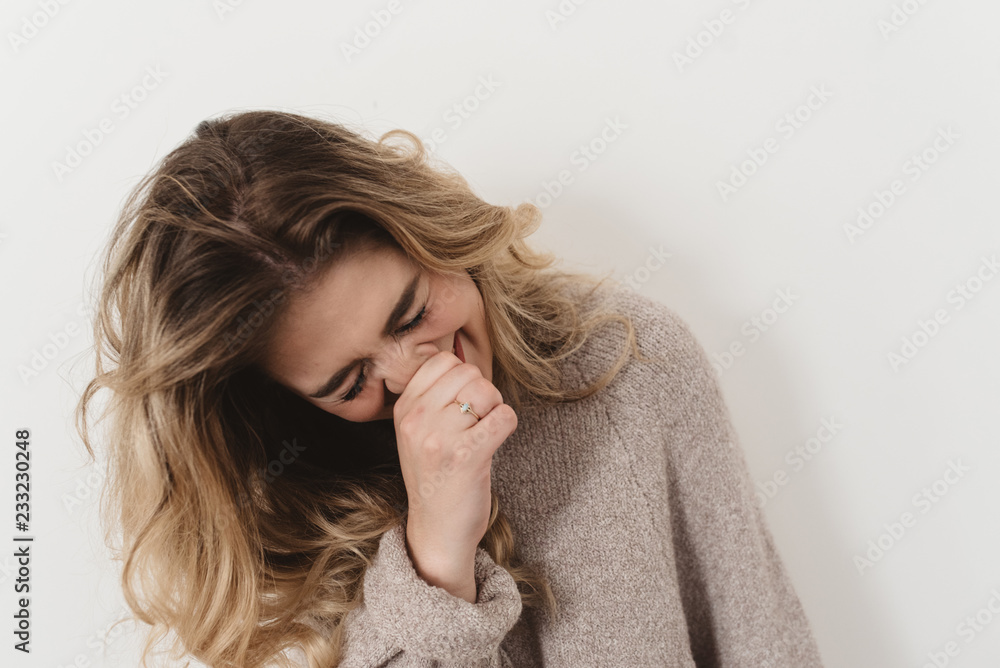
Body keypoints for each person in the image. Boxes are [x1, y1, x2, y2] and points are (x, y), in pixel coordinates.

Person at [75, 109, 825, 667]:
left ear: (431, 233)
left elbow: (761, 636)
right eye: (349, 380)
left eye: (411, 314)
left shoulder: (628, 362)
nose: (414, 377)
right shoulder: (284, 522)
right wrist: (435, 551)